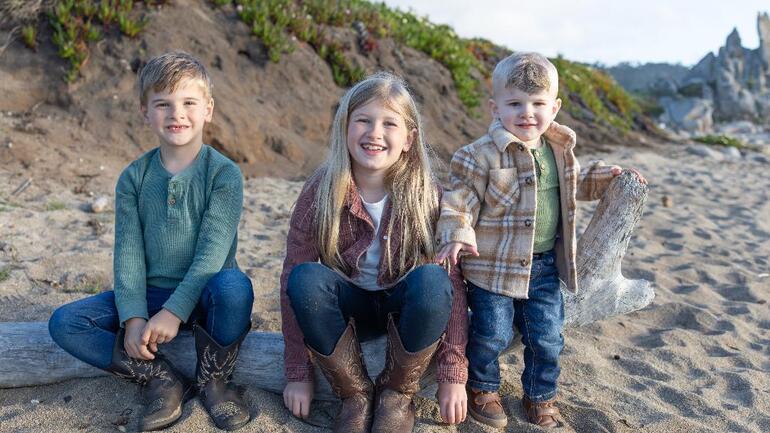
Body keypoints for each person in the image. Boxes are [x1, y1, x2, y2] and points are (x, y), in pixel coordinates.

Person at [436, 52, 647, 429]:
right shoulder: (477, 156)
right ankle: (483, 388)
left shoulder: (559, 151)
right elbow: (458, 200)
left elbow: (576, 183)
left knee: (547, 336)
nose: (527, 113)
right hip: (491, 268)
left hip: (545, 266)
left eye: (537, 103)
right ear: (495, 108)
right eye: (514, 103)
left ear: (555, 107)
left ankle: (540, 395)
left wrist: (608, 177)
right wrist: (456, 234)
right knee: (492, 334)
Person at [48, 51, 254, 431]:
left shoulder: (223, 174)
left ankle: (215, 382)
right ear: (145, 112)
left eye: (189, 102)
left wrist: (174, 313)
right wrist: (134, 317)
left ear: (208, 109)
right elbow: (128, 253)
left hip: (207, 292)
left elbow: (212, 253)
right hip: (151, 293)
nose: (177, 114)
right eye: (163, 104)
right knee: (66, 323)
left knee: (236, 288)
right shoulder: (134, 177)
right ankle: (162, 377)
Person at [280, 71, 469, 432]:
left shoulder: (427, 194)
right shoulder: (321, 189)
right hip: (349, 312)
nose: (374, 133)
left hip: (405, 311)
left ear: (409, 139)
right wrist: (298, 373)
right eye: (363, 120)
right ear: (345, 128)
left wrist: (452, 372)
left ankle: (396, 395)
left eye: (389, 124)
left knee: (434, 279)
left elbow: (454, 286)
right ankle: (354, 395)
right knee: (304, 279)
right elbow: (291, 274)